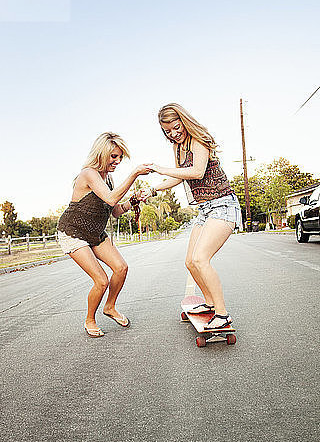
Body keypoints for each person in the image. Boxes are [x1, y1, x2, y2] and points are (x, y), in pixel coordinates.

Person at [143, 103, 242, 331]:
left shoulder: (199, 139)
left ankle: (222, 314)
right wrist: (153, 189)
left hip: (223, 205)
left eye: (176, 128)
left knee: (200, 259)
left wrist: (160, 168)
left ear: (184, 122)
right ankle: (209, 303)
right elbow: (179, 177)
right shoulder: (178, 147)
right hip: (205, 210)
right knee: (190, 262)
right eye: (168, 132)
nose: (173, 134)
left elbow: (196, 171)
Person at [57, 132, 151, 337]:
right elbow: (109, 199)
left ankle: (110, 306)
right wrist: (134, 174)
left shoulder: (108, 178)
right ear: (101, 154)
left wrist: (134, 200)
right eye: (113, 157)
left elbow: (115, 210)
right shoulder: (88, 173)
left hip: (95, 233)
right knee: (101, 280)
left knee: (121, 268)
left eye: (119, 157)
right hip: (73, 232)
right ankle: (89, 320)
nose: (117, 161)